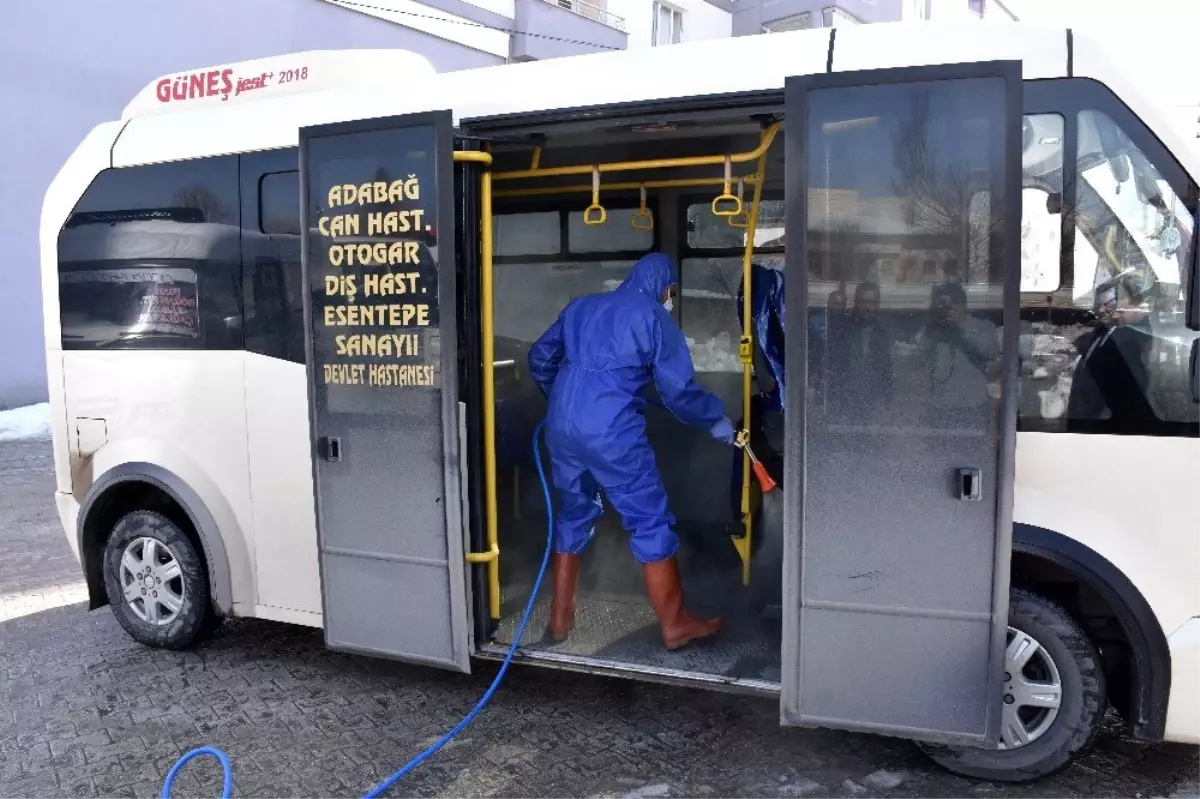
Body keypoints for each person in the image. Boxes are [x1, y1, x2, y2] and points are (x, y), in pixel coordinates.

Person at [528, 252, 735, 651]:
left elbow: (540, 356)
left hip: (561, 428)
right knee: (649, 521)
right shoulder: (653, 317)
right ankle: (676, 624)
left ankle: (559, 621)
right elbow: (678, 392)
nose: (670, 298)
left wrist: (561, 398)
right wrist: (714, 419)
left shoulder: (581, 307)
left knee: (574, 514)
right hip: (612, 435)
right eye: (671, 292)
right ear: (665, 287)